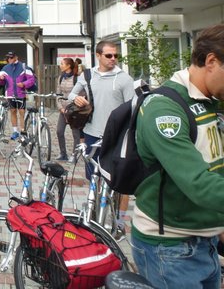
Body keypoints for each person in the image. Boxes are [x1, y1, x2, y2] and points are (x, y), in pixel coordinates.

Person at [131, 24, 224, 288]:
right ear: (212, 61)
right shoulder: (164, 110)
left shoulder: (210, 101)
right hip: (170, 250)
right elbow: (198, 183)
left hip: (205, 241)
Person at [67, 40, 133, 234]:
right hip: (91, 135)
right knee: (93, 177)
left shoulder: (124, 79)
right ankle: (95, 213)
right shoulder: (88, 75)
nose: (113, 59)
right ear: (98, 55)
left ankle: (119, 222)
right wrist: (76, 98)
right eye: (109, 55)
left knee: (120, 181)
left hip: (117, 136)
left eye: (116, 56)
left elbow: (132, 108)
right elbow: (70, 95)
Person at [0, 51, 36, 140]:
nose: (9, 59)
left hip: (21, 94)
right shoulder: (5, 68)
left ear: (16, 57)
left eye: (11, 57)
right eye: (8, 58)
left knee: (22, 112)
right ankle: (15, 131)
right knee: (12, 111)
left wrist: (24, 84)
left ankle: (22, 131)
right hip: (10, 94)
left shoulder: (24, 67)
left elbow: (32, 79)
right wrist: (1, 79)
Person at [54, 58, 81, 162]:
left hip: (73, 110)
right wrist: (60, 108)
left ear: (68, 66)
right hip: (63, 109)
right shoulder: (60, 78)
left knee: (75, 133)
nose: (60, 65)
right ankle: (63, 153)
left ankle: (75, 155)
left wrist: (71, 108)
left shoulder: (76, 78)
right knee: (59, 131)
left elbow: (79, 95)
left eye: (62, 64)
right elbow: (58, 94)